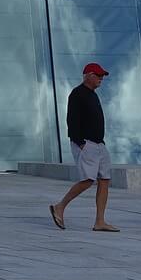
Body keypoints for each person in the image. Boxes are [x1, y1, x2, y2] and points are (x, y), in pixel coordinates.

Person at [51, 63, 118, 232]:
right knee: (88, 180)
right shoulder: (77, 94)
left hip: (99, 144)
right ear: (88, 75)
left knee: (104, 179)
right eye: (98, 75)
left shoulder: (93, 95)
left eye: (102, 76)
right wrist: (79, 142)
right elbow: (71, 120)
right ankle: (60, 206)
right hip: (86, 143)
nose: (101, 79)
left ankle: (100, 221)